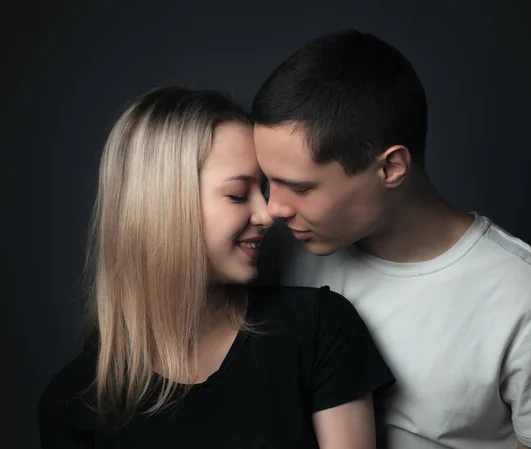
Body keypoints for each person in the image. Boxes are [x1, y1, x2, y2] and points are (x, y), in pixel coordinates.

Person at [252, 29, 531, 449]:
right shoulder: (270, 254)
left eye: (300, 188)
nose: (272, 209)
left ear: (392, 167)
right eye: (266, 180)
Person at [37, 87, 395, 449]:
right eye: (239, 194)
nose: (267, 213)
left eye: (264, 190)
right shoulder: (73, 402)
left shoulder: (318, 328)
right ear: (162, 208)